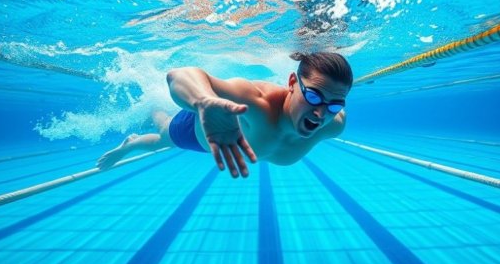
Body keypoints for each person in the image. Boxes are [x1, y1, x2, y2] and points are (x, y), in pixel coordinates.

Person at [97, 52, 353, 178]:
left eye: (333, 104)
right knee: (162, 137)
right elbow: (178, 75)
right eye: (313, 96)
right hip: (201, 129)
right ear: (291, 82)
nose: (320, 112)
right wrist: (204, 102)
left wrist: (327, 103)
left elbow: (331, 106)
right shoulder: (258, 103)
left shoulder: (334, 124)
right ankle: (133, 140)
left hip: (225, 140)